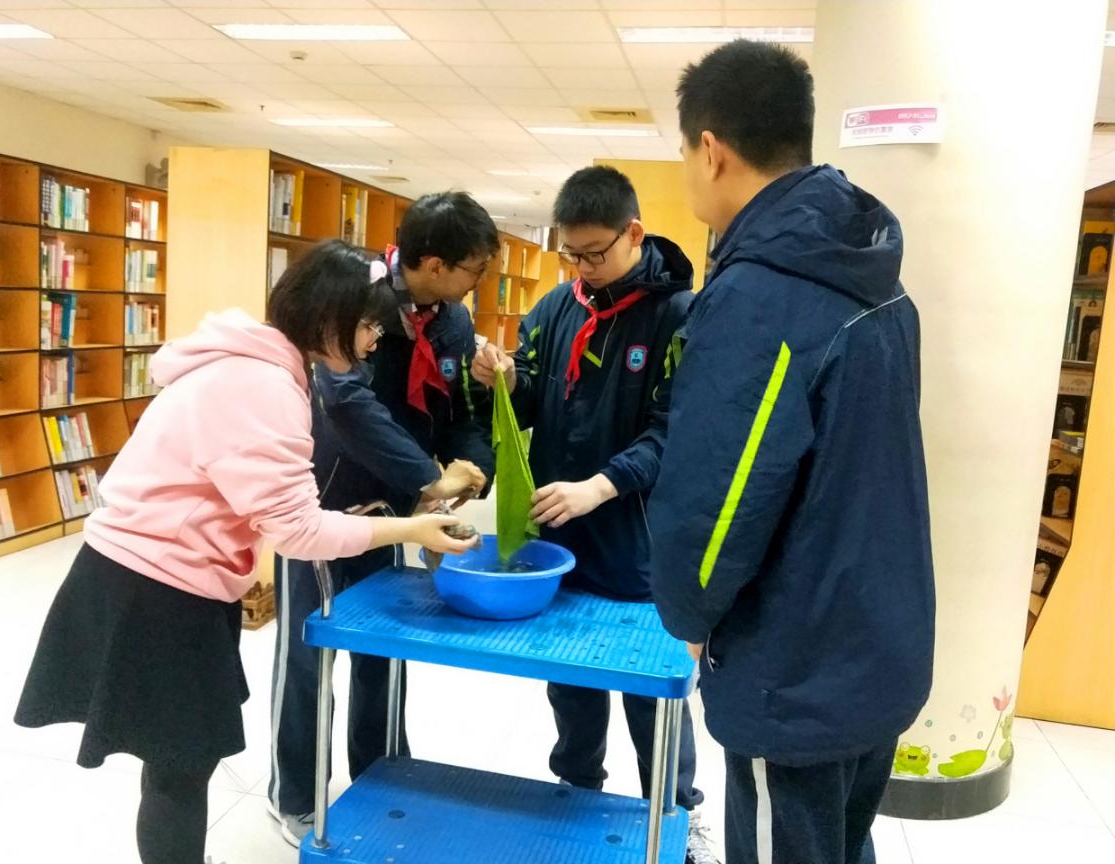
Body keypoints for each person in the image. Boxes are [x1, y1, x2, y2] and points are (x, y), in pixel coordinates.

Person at [14, 241, 478, 864]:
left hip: (145, 572)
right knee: (181, 764)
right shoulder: (264, 386)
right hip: (158, 588)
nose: (374, 340)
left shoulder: (249, 360)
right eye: (368, 324)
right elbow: (298, 534)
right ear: (328, 317)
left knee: (175, 759)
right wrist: (411, 532)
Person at [648, 40, 935, 864]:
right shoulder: (876, 278)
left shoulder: (760, 296)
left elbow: (718, 498)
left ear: (711, 149)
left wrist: (689, 615)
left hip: (795, 667)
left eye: (684, 151)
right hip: (875, 644)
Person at [472, 166, 719, 864]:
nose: (581, 268)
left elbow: (675, 432)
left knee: (653, 697)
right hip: (563, 538)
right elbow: (529, 404)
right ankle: (574, 801)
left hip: (639, 546)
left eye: (594, 253)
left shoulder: (680, 316)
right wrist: (505, 381)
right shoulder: (556, 308)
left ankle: (676, 818)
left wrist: (603, 485)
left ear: (633, 234)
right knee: (572, 684)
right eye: (570, 254)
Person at [268, 191, 499, 845]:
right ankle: (295, 796)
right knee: (308, 656)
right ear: (434, 263)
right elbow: (347, 403)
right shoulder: (357, 296)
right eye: (474, 269)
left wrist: (472, 467)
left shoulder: (453, 320)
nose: (478, 282)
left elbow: (457, 409)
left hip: (396, 510)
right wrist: (429, 478)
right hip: (322, 505)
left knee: (384, 652)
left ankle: (380, 778)